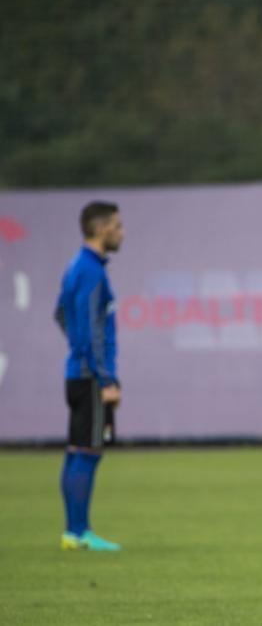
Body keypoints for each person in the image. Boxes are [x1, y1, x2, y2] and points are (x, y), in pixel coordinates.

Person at [54, 201, 124, 552]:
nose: (121, 232)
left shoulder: (75, 267)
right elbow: (95, 332)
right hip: (92, 378)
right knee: (89, 451)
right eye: (117, 225)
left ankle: (73, 531)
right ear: (100, 229)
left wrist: (77, 349)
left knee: (76, 450)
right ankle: (79, 532)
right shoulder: (92, 272)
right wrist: (106, 377)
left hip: (76, 373)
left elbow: (61, 314)